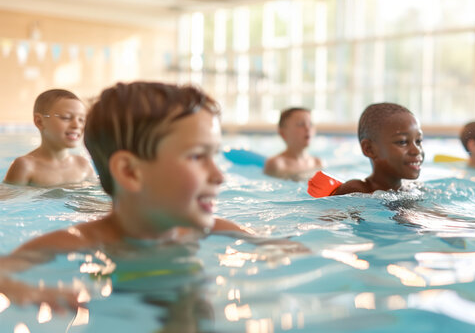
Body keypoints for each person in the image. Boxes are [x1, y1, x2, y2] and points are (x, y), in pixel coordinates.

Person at [0, 82, 305, 312]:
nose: (220, 176)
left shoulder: (215, 229)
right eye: (198, 156)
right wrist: (20, 289)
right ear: (130, 172)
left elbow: (292, 251)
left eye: (214, 156)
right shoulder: (82, 240)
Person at [3, 89, 95, 187]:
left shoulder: (83, 165)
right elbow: (9, 200)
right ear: (39, 122)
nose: (76, 125)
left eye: (82, 119)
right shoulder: (26, 166)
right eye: (66, 117)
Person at [331, 103, 424, 196]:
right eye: (402, 142)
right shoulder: (356, 190)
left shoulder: (413, 188)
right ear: (369, 149)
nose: (417, 151)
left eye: (418, 141)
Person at [263, 107, 323, 181]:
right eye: (300, 124)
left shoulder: (317, 163)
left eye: (310, 124)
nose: (308, 128)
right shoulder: (277, 164)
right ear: (283, 133)